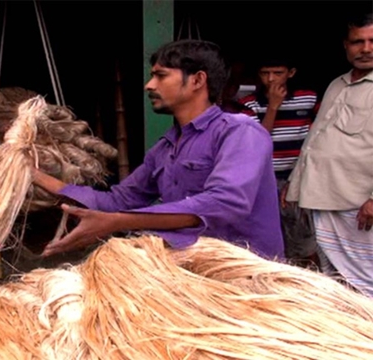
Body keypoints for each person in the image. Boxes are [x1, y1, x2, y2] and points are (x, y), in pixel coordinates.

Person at [33, 39, 284, 259]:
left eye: (161, 76)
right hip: (194, 275)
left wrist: (117, 222)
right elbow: (118, 201)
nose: (149, 85)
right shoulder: (165, 148)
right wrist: (32, 175)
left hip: (248, 281)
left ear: (198, 80)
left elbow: (224, 203)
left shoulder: (240, 132)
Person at [284, 13, 373, 296]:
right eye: (358, 42)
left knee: (365, 278)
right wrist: (294, 184)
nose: (366, 48)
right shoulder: (337, 83)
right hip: (322, 198)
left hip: (358, 205)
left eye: (372, 41)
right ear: (346, 46)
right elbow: (315, 139)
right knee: (335, 279)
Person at [238, 56, 320, 267]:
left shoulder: (308, 98)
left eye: (277, 73)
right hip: (264, 181)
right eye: (265, 73)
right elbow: (258, 140)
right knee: (268, 239)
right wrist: (273, 107)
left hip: (298, 179)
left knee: (303, 240)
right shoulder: (249, 103)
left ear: (290, 73)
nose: (271, 79)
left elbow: (322, 134)